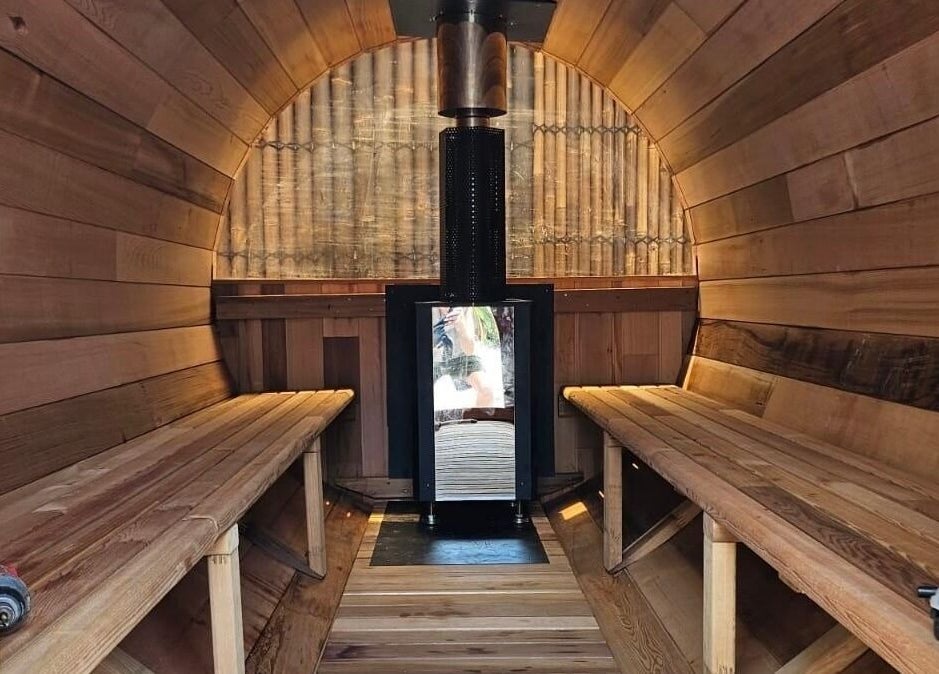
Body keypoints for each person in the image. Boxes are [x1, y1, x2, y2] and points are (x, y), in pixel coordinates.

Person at [432, 306, 495, 408]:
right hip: (432, 360)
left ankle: (477, 420)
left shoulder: (464, 306)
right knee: (424, 394)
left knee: (486, 391)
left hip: (461, 356)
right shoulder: (427, 306)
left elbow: (469, 350)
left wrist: (461, 325)